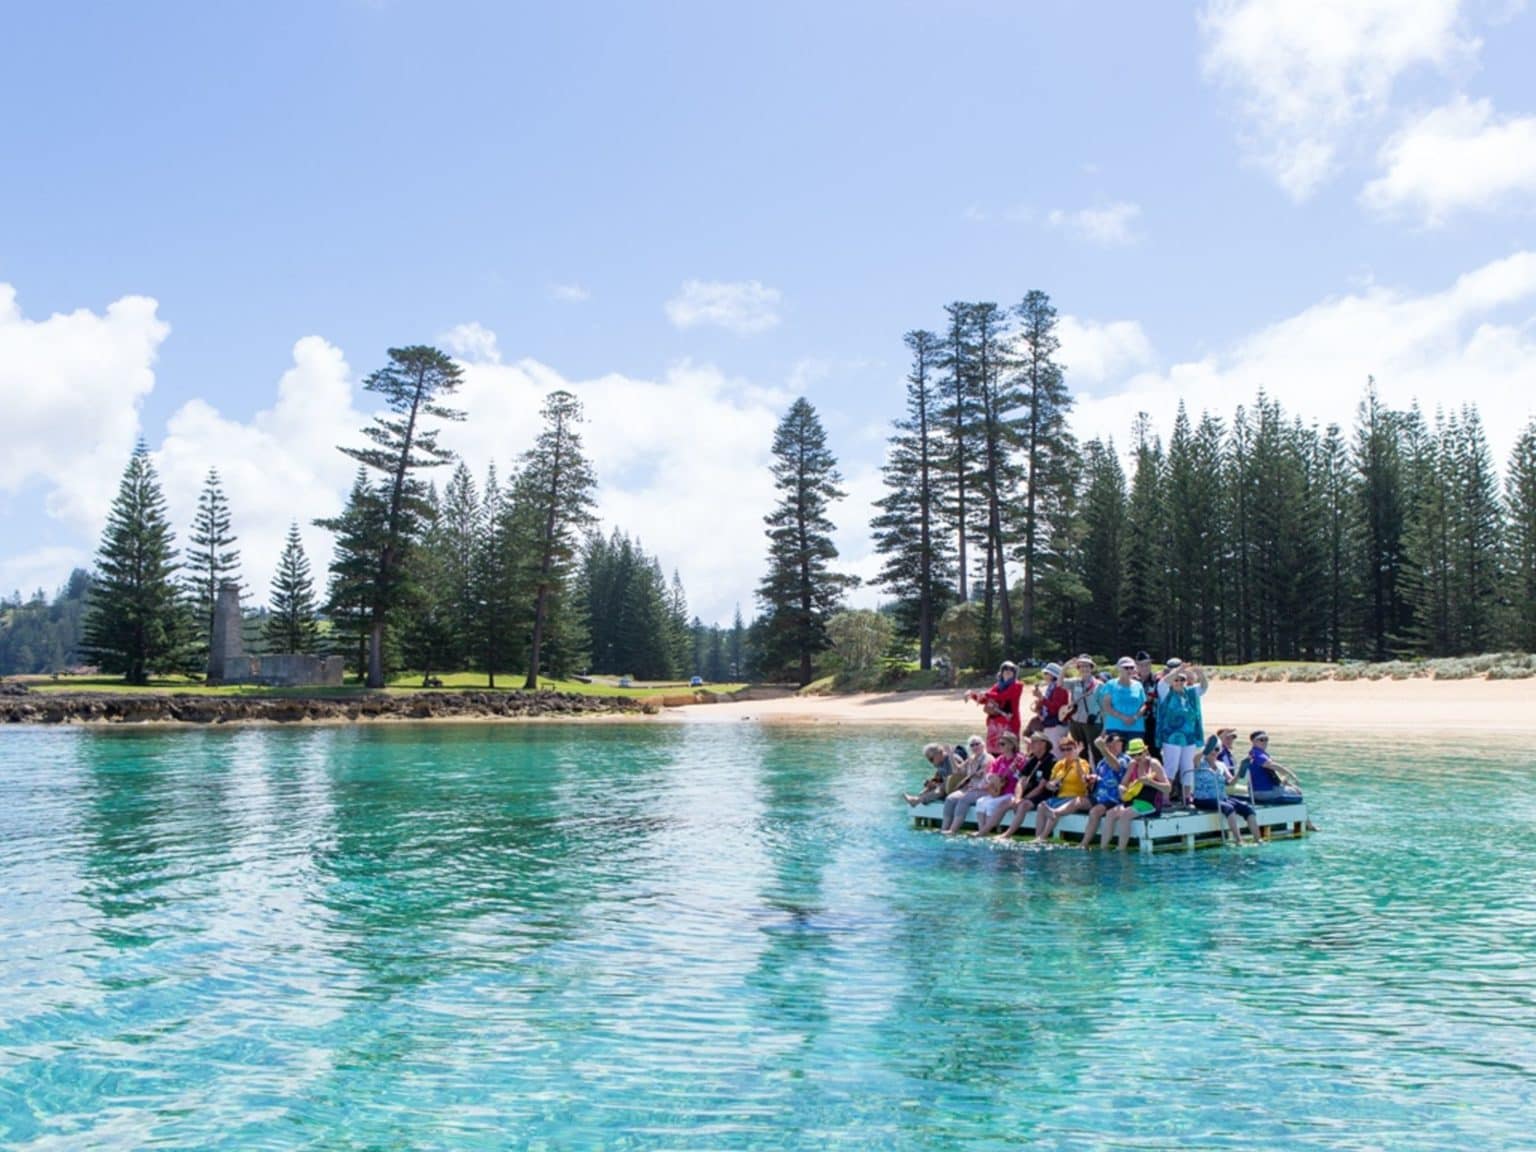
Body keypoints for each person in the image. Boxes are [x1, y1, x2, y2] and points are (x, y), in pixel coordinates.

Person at [1101, 738, 1171, 851]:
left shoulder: (1153, 764)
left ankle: (1121, 850)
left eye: (1139, 754)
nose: (1136, 757)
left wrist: (1151, 782)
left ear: (1145, 751)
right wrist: (1122, 789)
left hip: (1150, 803)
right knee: (1110, 813)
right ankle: (1103, 849)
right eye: (1133, 755)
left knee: (1125, 814)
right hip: (1133, 801)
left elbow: (1168, 789)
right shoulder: (1132, 764)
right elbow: (1123, 783)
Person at [1155, 662, 1208, 806]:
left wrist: (1200, 674)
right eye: (1176, 680)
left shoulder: (1190, 693)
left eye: (1182, 679)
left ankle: (1187, 795)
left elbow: (1203, 687)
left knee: (1187, 766)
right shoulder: (1165, 692)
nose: (1178, 682)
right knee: (1171, 766)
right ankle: (1165, 796)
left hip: (1189, 737)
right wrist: (1178, 670)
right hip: (1171, 737)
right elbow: (1164, 681)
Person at [1192, 735, 1261, 844]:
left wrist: (1239, 774)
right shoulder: (1200, 762)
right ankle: (1239, 840)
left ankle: (1258, 839)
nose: (1214, 751)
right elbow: (1195, 758)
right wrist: (1205, 751)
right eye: (1211, 749)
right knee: (1228, 808)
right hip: (1203, 799)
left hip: (1222, 797)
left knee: (1247, 808)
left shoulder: (1221, 765)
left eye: (1217, 749)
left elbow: (1230, 783)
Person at [997, 732, 1056, 839]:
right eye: (1031, 742)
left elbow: (1040, 787)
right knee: (1005, 803)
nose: (1031, 745)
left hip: (1043, 795)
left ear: (1043, 744)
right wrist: (1018, 798)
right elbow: (1020, 781)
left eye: (1034, 742)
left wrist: (1023, 799)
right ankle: (984, 830)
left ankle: (1007, 834)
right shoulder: (1032, 760)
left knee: (1023, 805)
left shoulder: (1051, 760)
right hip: (1028, 794)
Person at [1034, 734, 1093, 842]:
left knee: (1054, 811)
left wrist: (1076, 760)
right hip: (1060, 797)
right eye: (1063, 749)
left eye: (1069, 749)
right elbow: (1049, 783)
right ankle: (1038, 836)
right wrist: (1051, 785)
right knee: (1041, 806)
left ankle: (1043, 837)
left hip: (1075, 796)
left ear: (1075, 749)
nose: (1066, 752)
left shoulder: (1082, 763)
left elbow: (1084, 779)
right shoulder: (1059, 764)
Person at [1080, 731, 1129, 849]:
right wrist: (1092, 778)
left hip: (1113, 798)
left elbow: (1116, 767)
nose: (1116, 745)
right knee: (1076, 802)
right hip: (1098, 796)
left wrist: (1102, 749)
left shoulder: (1125, 759)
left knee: (1094, 812)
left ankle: (1084, 844)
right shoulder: (1102, 762)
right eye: (1112, 743)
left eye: (1118, 742)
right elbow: (1099, 777)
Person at [973, 731, 1028, 835]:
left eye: (1003, 744)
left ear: (1012, 745)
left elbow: (1023, 776)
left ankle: (985, 831)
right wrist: (991, 780)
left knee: (991, 804)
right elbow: (989, 774)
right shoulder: (1000, 759)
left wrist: (1015, 771)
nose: (1000, 746)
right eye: (999, 743)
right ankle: (982, 829)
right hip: (998, 791)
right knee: (980, 802)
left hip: (1010, 792)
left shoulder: (1019, 759)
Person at [938, 737, 993, 833]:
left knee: (964, 800)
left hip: (984, 789)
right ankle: (944, 828)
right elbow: (957, 770)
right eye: (972, 745)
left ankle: (953, 830)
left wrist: (974, 777)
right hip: (970, 788)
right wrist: (951, 754)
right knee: (950, 799)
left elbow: (982, 775)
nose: (975, 746)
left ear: (983, 745)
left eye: (977, 744)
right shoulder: (971, 758)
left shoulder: (988, 758)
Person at [968, 660, 1023, 756]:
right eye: (1005, 668)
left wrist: (986, 693)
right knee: (993, 752)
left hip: (1008, 723)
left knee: (1009, 750)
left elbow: (1004, 696)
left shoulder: (1017, 685)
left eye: (1011, 669)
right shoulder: (997, 686)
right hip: (994, 724)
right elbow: (985, 700)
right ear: (1001, 672)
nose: (1008, 671)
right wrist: (973, 695)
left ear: (1014, 672)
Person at [1238, 731, 1304, 805]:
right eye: (1261, 739)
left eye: (1266, 739)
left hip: (1260, 791)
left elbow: (1270, 773)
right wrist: (1292, 775)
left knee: (1290, 787)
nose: (1265, 742)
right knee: (1298, 792)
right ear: (1253, 741)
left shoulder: (1256, 754)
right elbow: (1273, 765)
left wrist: (1284, 781)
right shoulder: (1257, 755)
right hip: (1264, 792)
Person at [1097, 656, 1148, 747]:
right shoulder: (1110, 684)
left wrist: (1135, 717)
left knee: (1135, 757)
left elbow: (1144, 705)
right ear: (1119, 669)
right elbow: (1107, 706)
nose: (1129, 670)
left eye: (1131, 667)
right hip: (1115, 727)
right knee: (1115, 757)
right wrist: (1123, 717)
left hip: (1136, 728)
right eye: (1126, 667)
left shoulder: (1138, 685)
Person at [1066, 655, 1103, 758]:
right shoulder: (1074, 682)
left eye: (1087, 666)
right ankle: (1084, 772)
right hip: (1076, 722)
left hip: (1092, 722)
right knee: (1081, 752)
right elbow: (1059, 683)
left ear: (1091, 668)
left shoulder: (1099, 685)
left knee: (1096, 752)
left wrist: (1104, 727)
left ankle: (1097, 773)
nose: (1084, 668)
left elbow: (1104, 707)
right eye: (1081, 666)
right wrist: (1065, 667)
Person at [904, 741, 961, 807]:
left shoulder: (952, 759)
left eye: (931, 759)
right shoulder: (939, 763)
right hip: (947, 787)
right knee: (924, 792)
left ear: (939, 753)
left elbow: (956, 779)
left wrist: (937, 786)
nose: (930, 762)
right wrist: (932, 784)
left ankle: (916, 801)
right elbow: (940, 780)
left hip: (957, 788)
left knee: (940, 790)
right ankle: (918, 800)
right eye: (928, 760)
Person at [1034, 662, 1071, 753]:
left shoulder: (1059, 688)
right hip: (1052, 723)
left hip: (1056, 724)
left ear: (1053, 675)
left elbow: (1055, 707)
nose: (1044, 675)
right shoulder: (1052, 687)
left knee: (1055, 751)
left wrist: (1041, 698)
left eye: (1046, 673)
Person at [1135, 651, 1161, 759]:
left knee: (1154, 751)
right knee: (1138, 752)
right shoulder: (1133, 680)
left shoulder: (1158, 680)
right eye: (1142, 664)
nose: (1145, 667)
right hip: (1136, 721)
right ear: (1137, 666)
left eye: (1147, 664)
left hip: (1153, 720)